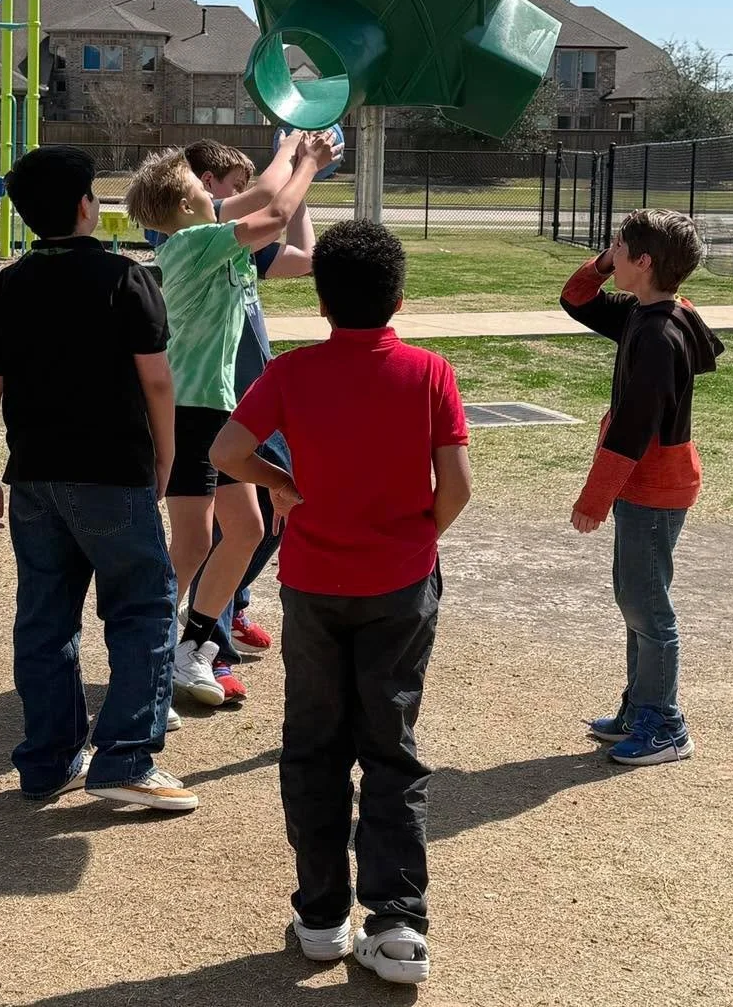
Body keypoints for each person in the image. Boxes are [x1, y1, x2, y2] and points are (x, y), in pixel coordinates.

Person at [210, 220, 472, 986]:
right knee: (391, 744)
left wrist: (281, 485)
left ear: (321, 300)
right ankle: (396, 920)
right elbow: (455, 485)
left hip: (316, 584)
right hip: (400, 582)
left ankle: (323, 915)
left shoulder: (293, 373)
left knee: (315, 742)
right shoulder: (430, 373)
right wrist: (417, 532)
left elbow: (226, 450)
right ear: (400, 297)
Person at [0, 145, 198, 813]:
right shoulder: (126, 278)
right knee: (145, 606)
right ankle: (125, 755)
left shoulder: (8, 285)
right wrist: (167, 453)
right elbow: (157, 378)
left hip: (35, 475)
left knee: (45, 618)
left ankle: (49, 760)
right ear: (82, 206)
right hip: (110, 471)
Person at [125, 133, 338, 708]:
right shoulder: (192, 244)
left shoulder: (218, 244)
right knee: (192, 541)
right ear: (186, 204)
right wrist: (299, 149)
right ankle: (143, 649)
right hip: (189, 411)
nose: (214, 193)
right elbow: (273, 203)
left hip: (217, 410)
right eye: (202, 186)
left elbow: (286, 225)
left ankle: (192, 647)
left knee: (245, 531)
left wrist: (299, 167)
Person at [560, 208, 723, 766]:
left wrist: (593, 500)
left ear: (645, 262)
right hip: (649, 485)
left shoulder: (658, 334)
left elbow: (632, 432)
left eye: (620, 247)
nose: (611, 253)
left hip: (653, 487)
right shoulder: (648, 312)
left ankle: (666, 725)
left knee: (648, 606)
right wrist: (606, 261)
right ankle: (640, 705)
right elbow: (576, 300)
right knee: (635, 598)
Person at [180, 138, 316, 701]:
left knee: (260, 523)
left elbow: (307, 257)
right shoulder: (186, 230)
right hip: (207, 409)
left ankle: (214, 620)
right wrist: (297, 150)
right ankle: (196, 643)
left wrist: (303, 188)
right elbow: (271, 203)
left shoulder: (234, 246)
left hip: (247, 405)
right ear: (205, 184)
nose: (243, 196)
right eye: (233, 185)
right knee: (207, 540)